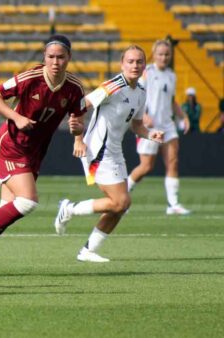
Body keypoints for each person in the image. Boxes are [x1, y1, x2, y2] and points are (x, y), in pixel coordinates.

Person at [0, 35, 86, 276]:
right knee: (28, 201)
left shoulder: (74, 88)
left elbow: (77, 119)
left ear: (69, 58)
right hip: (11, 145)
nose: (55, 62)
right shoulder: (30, 78)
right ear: (44, 58)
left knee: (5, 211)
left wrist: (78, 135)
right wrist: (16, 117)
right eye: (51, 57)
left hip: (35, 151)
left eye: (61, 57)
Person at [54, 45, 164, 262]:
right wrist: (78, 138)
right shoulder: (113, 86)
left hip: (115, 151)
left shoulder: (141, 92)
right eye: (130, 61)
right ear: (122, 64)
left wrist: (151, 135)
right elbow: (81, 105)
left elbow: (137, 125)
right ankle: (69, 209)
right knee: (120, 202)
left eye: (139, 62)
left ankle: (88, 250)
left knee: (122, 206)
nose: (135, 65)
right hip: (98, 150)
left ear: (144, 66)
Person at [127, 40, 191, 215]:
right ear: (154, 55)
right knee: (146, 166)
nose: (164, 57)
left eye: (167, 54)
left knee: (173, 162)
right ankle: (124, 193)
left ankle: (173, 204)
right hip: (149, 127)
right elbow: (137, 94)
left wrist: (183, 116)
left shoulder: (171, 75)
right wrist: (143, 115)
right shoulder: (146, 73)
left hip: (167, 125)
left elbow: (171, 100)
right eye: (161, 54)